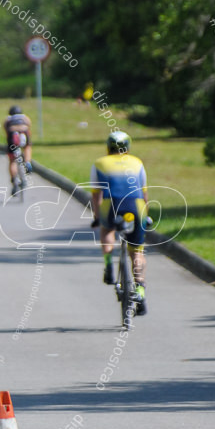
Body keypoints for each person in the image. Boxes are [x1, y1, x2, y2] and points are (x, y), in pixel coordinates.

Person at [90, 131, 149, 315]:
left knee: (106, 229)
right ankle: (140, 288)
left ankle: (108, 263)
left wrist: (97, 217)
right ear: (128, 147)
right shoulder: (137, 162)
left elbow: (96, 194)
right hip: (136, 206)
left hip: (112, 205)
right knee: (137, 251)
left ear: (108, 147)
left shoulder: (100, 163)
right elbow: (144, 192)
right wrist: (146, 215)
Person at [4, 106, 32, 192]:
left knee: (12, 161)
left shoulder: (8, 119)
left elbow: (5, 128)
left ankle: (14, 179)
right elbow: (29, 125)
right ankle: (27, 162)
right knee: (27, 146)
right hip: (24, 132)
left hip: (13, 135)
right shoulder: (24, 117)